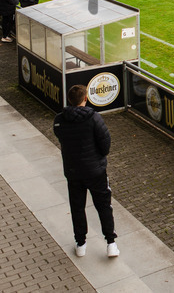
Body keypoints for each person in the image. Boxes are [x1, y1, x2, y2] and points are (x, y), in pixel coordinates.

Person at [53, 84, 118, 259]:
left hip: (73, 171)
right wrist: (99, 158)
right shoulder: (93, 118)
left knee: (77, 207)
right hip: (95, 171)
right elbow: (105, 143)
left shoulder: (59, 119)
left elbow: (61, 136)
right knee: (103, 205)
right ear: (85, 99)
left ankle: (80, 243)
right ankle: (111, 243)